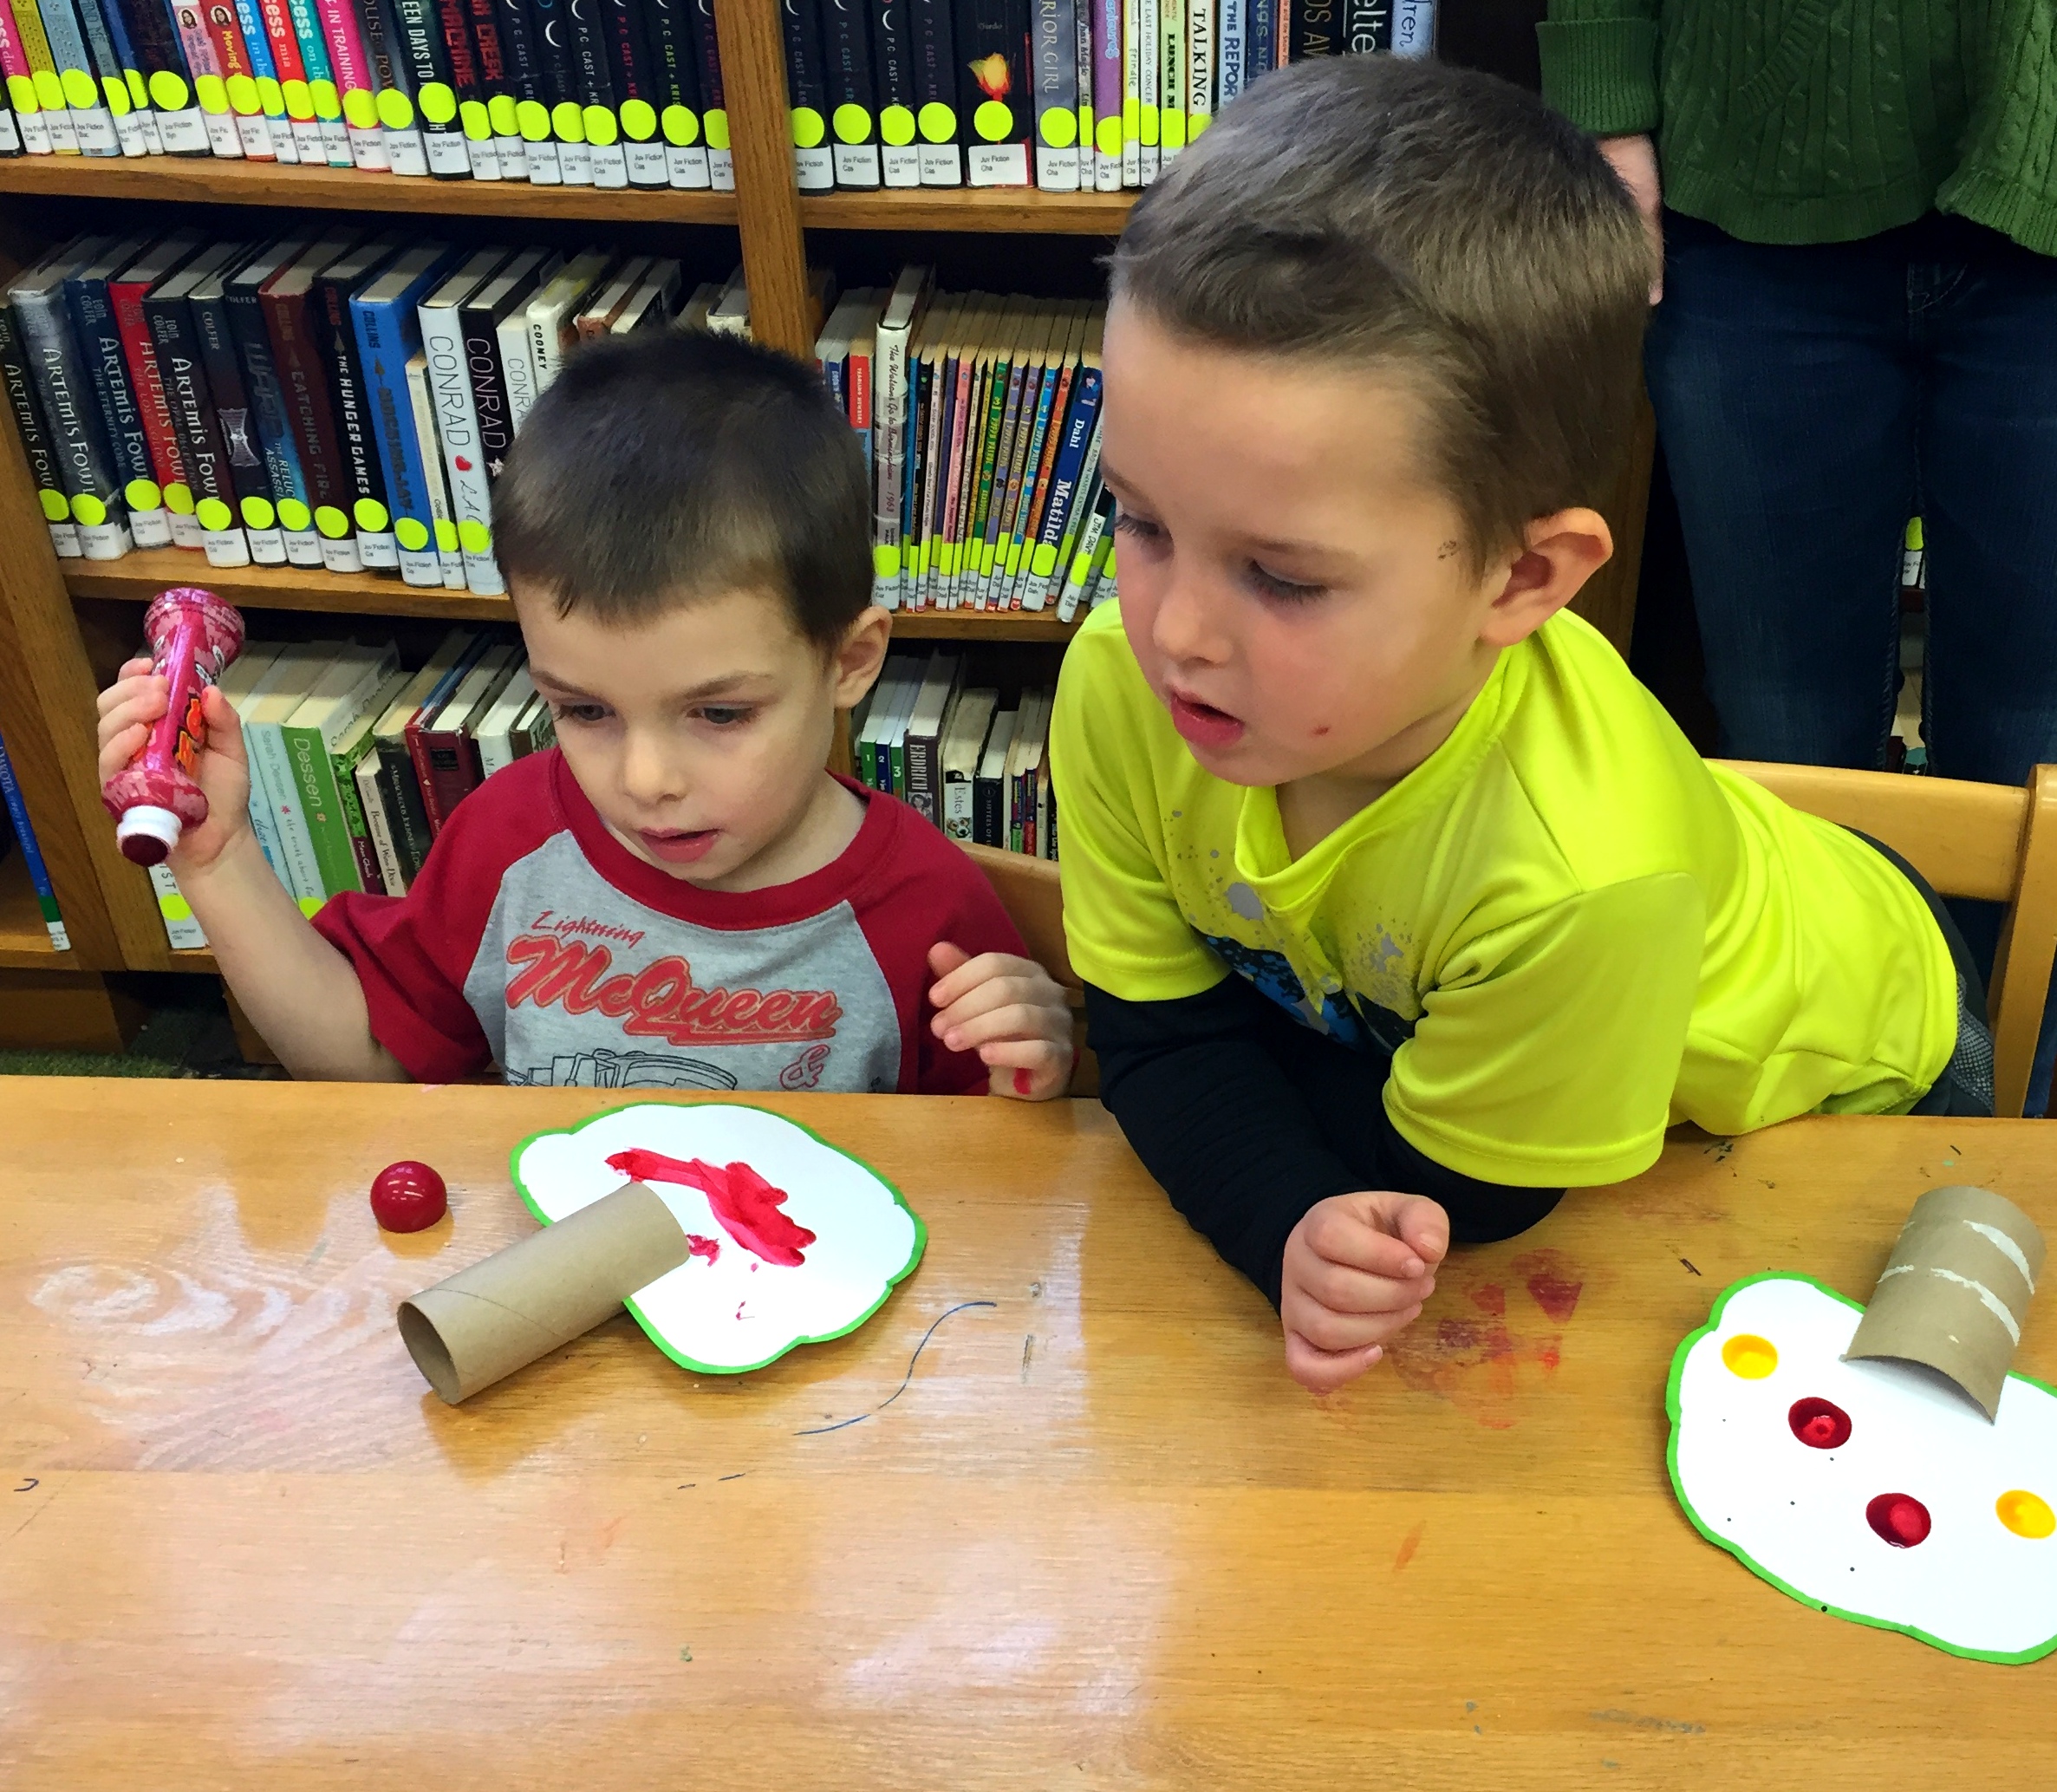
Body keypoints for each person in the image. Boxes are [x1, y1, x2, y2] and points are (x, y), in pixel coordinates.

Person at [1051, 56, 1993, 1398]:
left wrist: (1265, 1170)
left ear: (1522, 578)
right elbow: (1156, 1033)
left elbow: (1472, 1195)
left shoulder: (1580, 877)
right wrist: (1284, 1208)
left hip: (1869, 1076)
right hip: (1597, 998)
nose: (1174, 631)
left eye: (1282, 575)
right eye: (1139, 521)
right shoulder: (1122, 680)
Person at [95, 331, 1075, 1098]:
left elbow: (988, 1179)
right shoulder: (510, 839)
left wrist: (1026, 1071)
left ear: (849, 662)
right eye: (586, 709)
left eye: (721, 714)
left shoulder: (931, 909)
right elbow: (367, 1064)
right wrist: (216, 861)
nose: (645, 779)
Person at [1538, 2, 2057, 1105]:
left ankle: (1997, 1121)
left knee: (2035, 755)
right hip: (1747, 198)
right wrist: (1598, 105)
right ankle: (1824, 1107)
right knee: (1783, 731)